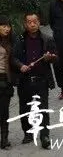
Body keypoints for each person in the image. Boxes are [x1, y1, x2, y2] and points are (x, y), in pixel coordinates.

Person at [13, 12, 56, 149]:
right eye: (29, 22)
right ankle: (28, 133)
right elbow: (13, 58)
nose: (32, 24)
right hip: (25, 80)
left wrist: (50, 57)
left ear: (39, 22)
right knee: (25, 108)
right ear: (25, 24)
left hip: (41, 79)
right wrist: (21, 66)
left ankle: (45, 136)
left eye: (35, 21)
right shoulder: (20, 40)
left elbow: (55, 57)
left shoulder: (47, 39)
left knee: (43, 108)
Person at [0, 18, 16, 149]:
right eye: (4, 26)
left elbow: (15, 60)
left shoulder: (11, 41)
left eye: (8, 26)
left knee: (4, 111)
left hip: (5, 79)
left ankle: (4, 139)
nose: (7, 28)